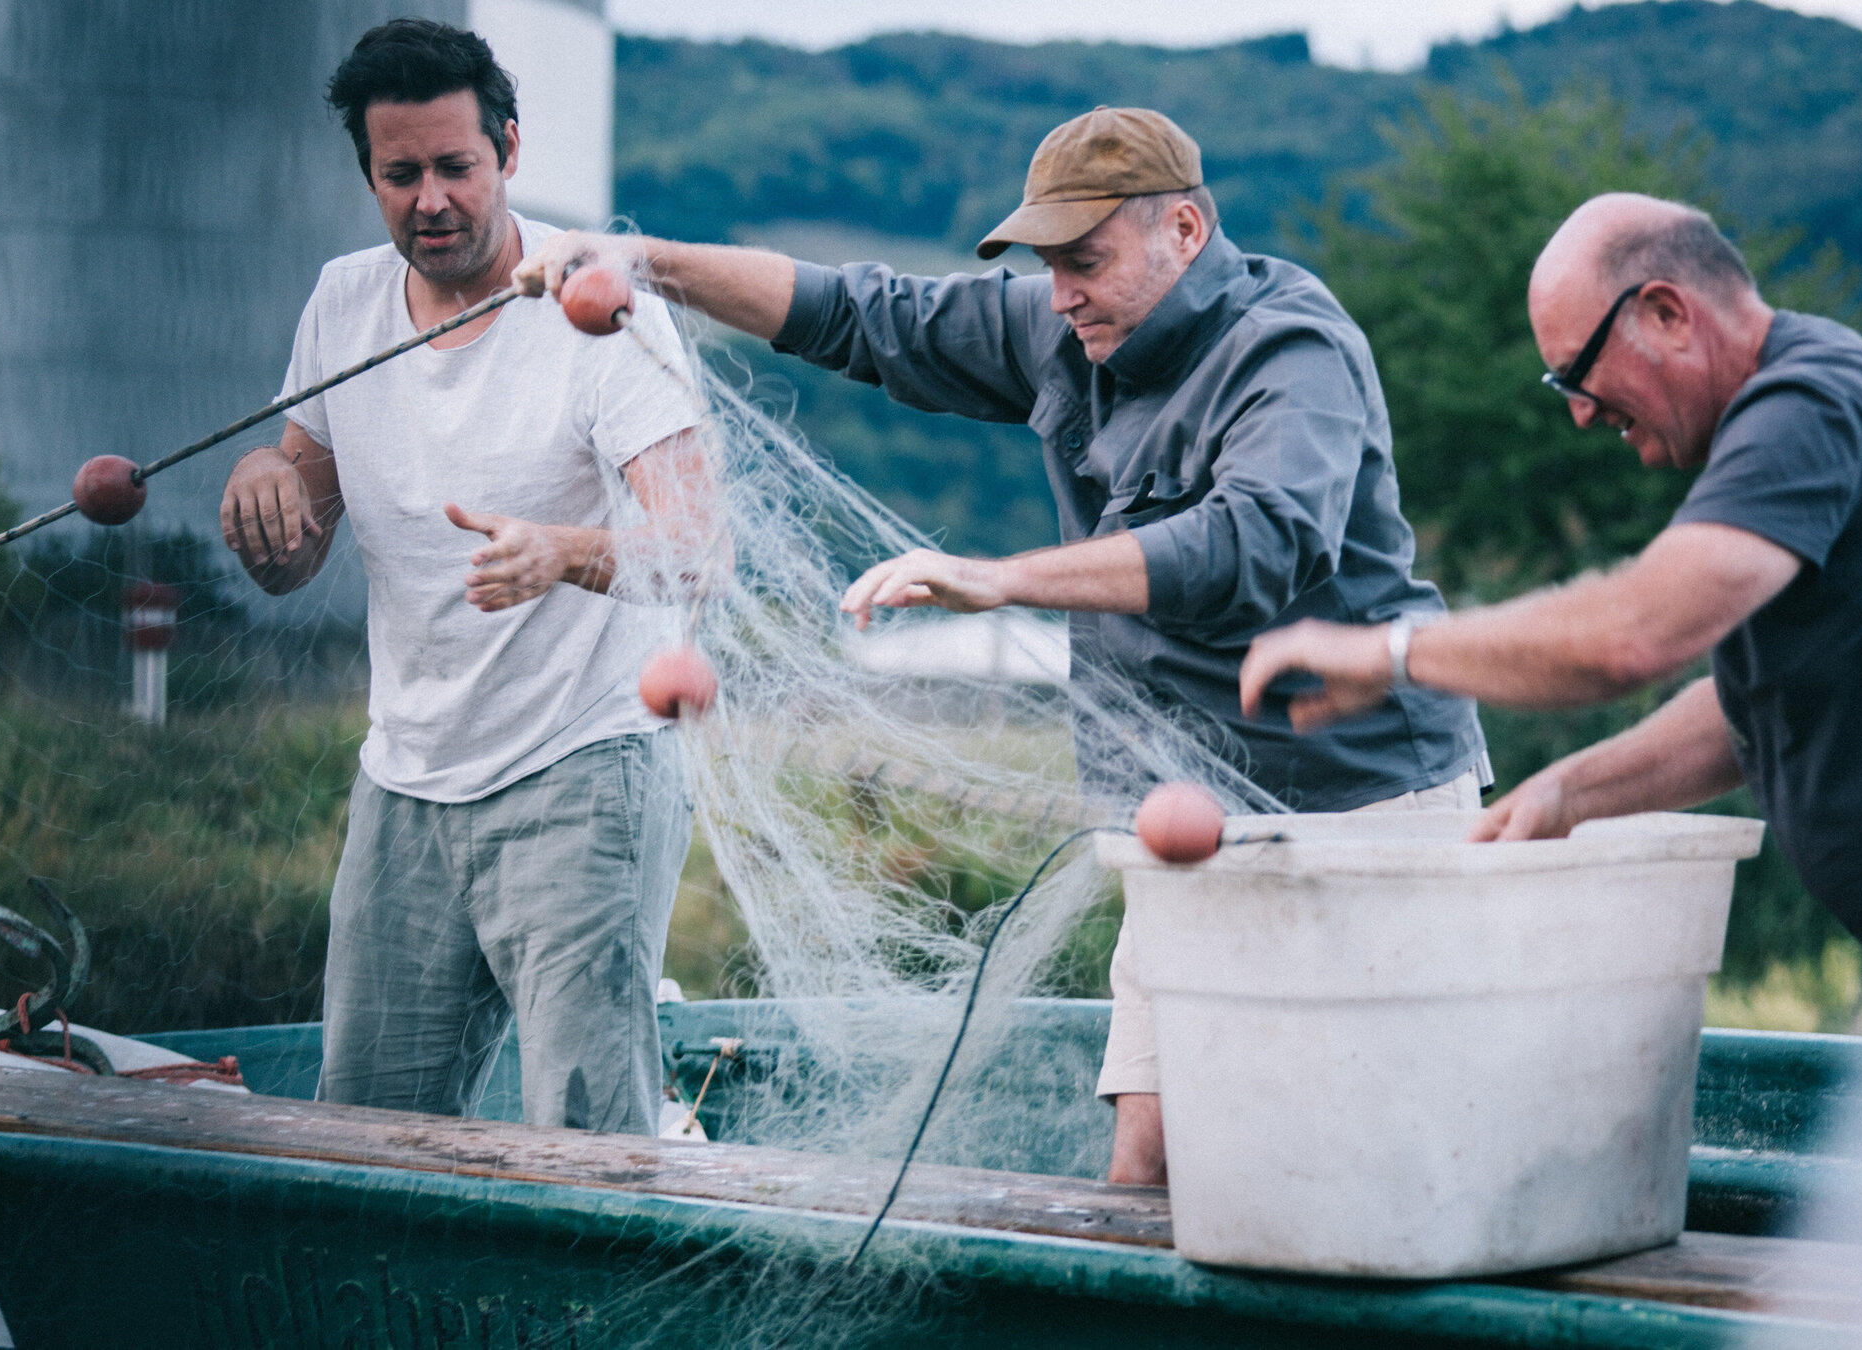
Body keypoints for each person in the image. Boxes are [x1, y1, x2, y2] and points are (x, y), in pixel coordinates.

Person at [516, 106, 1487, 1181]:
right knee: (1147, 1163)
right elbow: (858, 314)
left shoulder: (1291, 350)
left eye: (1085, 260)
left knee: (1380, 1170)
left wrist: (1003, 580)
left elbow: (1248, 544)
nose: (1061, 291)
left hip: (1363, 808)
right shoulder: (1063, 333)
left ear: (1185, 231)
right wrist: (637, 262)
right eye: (1046, 265)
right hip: (1185, 823)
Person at [1241, 192, 1862, 1030]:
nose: (1581, 412)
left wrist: (1389, 654)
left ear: (1666, 313)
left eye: (1579, 372)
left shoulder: (1811, 409)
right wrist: (1571, 792)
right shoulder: (1794, 418)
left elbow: (1632, 636)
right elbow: (1748, 706)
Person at [219, 20, 709, 1134]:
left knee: (587, 1139)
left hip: (582, 771)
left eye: (455, 167)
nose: (430, 199)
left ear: (510, 152)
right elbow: (294, 553)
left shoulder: (597, 310)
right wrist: (262, 480)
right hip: (405, 782)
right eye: (401, 175)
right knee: (365, 1132)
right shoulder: (343, 306)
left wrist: (563, 552)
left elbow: (698, 549)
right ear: (370, 177)